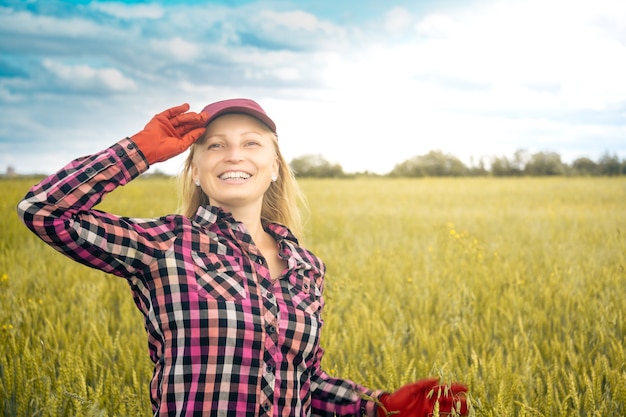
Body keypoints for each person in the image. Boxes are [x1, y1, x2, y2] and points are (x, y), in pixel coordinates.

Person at [17, 99, 469, 416]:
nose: (234, 154)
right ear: (195, 169)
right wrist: (136, 152)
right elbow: (44, 211)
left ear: (274, 167)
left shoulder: (306, 267)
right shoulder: (164, 244)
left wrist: (378, 406)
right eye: (215, 144)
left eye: (252, 143)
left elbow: (302, 381)